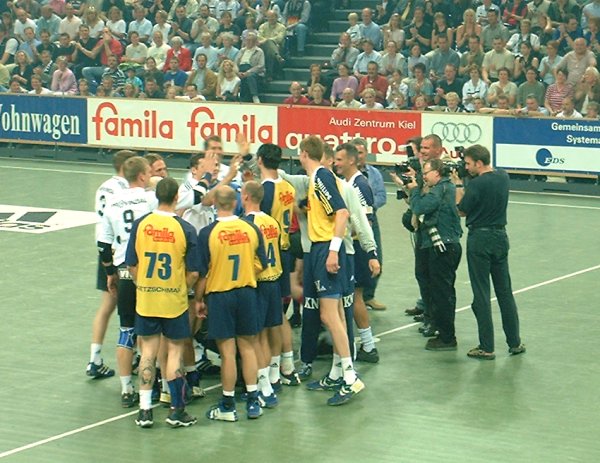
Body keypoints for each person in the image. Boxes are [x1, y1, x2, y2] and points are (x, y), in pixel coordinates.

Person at [125, 177, 200, 429]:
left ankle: (145, 410)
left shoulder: (141, 224)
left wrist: (144, 285)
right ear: (177, 197)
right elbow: (193, 272)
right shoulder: (185, 229)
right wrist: (182, 289)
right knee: (175, 353)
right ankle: (176, 410)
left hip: (147, 299)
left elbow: (132, 264)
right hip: (174, 301)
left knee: (147, 353)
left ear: (156, 196)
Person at [299, 135, 365, 406]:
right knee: (335, 313)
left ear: (304, 153)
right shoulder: (323, 178)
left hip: (326, 247)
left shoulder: (320, 178)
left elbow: (342, 213)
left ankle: (350, 376)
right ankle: (338, 371)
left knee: (328, 315)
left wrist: (334, 250)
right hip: (326, 247)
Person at [195, 185, 267, 421]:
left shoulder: (208, 233)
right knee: (248, 348)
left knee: (227, 353)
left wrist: (198, 300)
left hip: (220, 296)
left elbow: (202, 274)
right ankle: (254, 400)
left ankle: (228, 406)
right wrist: (246, 272)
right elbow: (262, 263)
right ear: (236, 202)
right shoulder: (251, 228)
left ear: (215, 203)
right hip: (247, 293)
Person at [455, 145, 526, 360]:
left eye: (469, 164)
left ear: (478, 163)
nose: (467, 168)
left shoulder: (476, 184)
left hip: (480, 239)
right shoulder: (503, 177)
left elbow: (461, 210)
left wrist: (458, 184)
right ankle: (514, 342)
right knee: (505, 292)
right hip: (500, 237)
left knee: (482, 293)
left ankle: (487, 346)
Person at [97, 156, 157, 408]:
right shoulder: (150, 199)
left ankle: (125, 389)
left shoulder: (112, 202)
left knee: (126, 330)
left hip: (123, 272)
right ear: (142, 176)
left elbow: (103, 244)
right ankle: (154, 386)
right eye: (149, 173)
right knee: (151, 332)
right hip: (146, 271)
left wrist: (110, 272)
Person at [87, 150, 136, 379]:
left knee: (106, 306)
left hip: (104, 249)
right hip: (120, 252)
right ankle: (134, 356)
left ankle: (94, 358)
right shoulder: (126, 190)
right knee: (132, 306)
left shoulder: (104, 186)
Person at [406, 158, 462, 351]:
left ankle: (447, 337)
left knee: (442, 293)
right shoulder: (446, 188)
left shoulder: (439, 190)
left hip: (442, 247)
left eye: (426, 173)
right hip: (448, 244)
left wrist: (415, 190)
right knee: (443, 292)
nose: (424, 177)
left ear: (437, 173)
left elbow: (420, 207)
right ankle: (443, 332)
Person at [333, 144, 381, 362]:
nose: (336, 163)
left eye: (339, 159)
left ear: (351, 161)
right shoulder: (348, 183)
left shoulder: (359, 185)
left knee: (355, 296)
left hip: (358, 249)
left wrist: (370, 254)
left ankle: (368, 346)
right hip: (353, 247)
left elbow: (365, 222)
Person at [256, 143, 299, 389]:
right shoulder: (287, 187)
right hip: (284, 250)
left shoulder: (265, 190)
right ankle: (288, 365)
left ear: (260, 160)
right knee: (280, 314)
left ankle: (270, 371)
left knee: (268, 318)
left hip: (268, 256)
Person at [350, 138, 386, 311]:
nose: (358, 156)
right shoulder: (343, 174)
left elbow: (381, 196)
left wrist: (367, 206)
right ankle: (353, 295)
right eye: (355, 152)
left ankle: (368, 296)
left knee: (375, 256)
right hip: (350, 221)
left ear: (366, 153)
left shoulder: (374, 174)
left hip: (370, 219)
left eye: (361, 152)